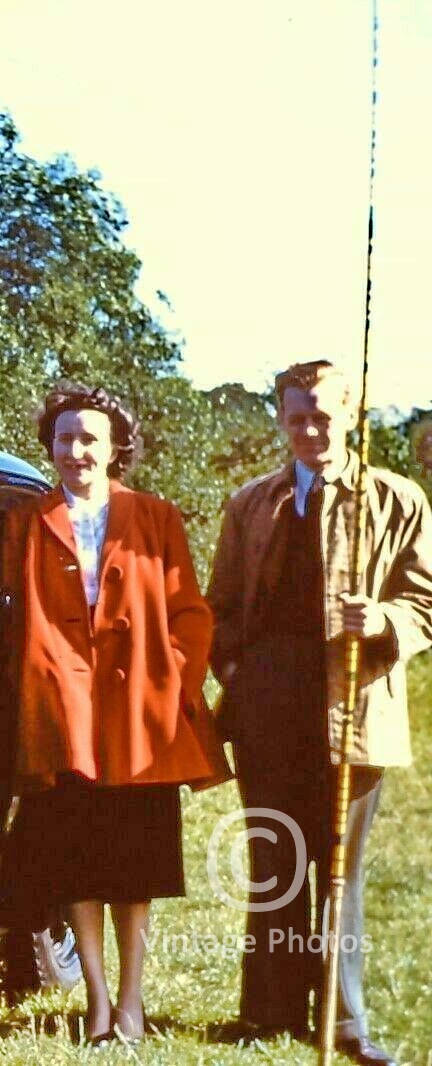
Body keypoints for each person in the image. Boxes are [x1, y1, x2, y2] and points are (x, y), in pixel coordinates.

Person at [207, 360, 432, 1066]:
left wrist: (386, 618)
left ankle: (342, 1024)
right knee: (276, 859)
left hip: (353, 702)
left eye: (323, 417)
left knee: (339, 866)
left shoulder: (398, 500)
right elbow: (220, 608)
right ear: (280, 418)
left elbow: (425, 602)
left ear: (351, 417)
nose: (309, 430)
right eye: (296, 416)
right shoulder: (250, 502)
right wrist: (236, 671)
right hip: (266, 699)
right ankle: (267, 1012)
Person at [1, 384, 229, 1044]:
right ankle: (97, 1003)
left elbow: (191, 613)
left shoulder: (156, 518)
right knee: (78, 863)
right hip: (65, 716)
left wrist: (172, 683)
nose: (76, 450)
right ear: (50, 445)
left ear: (115, 449)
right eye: (65, 437)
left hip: (139, 723)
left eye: (89, 438)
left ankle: (133, 1001)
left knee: (135, 867)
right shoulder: (30, 521)